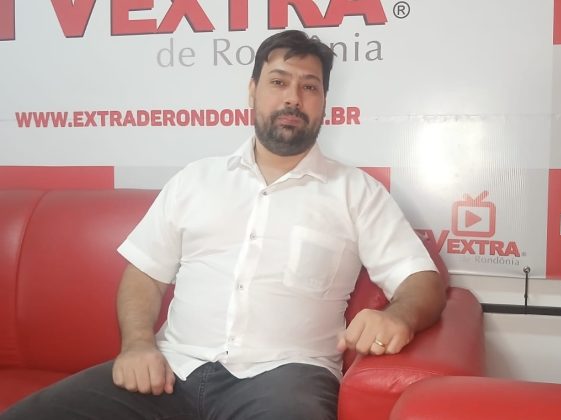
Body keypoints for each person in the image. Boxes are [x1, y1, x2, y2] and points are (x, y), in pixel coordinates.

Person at [1, 30, 446, 420]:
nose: (293, 98)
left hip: (284, 379)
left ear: (324, 103)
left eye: (309, 86)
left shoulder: (357, 192)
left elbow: (421, 280)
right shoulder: (195, 180)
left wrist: (399, 317)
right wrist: (137, 345)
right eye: (278, 82)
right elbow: (144, 276)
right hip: (171, 368)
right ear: (252, 92)